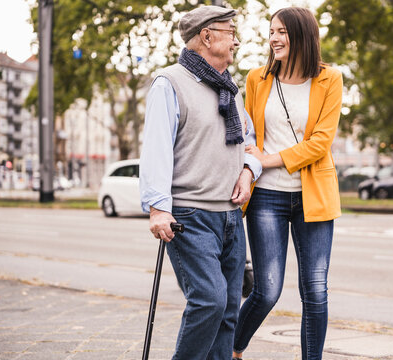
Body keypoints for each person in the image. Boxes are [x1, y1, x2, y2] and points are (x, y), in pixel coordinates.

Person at [139, 5, 261, 360]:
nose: (236, 40)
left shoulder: (229, 90)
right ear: (207, 37)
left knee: (227, 311)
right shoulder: (170, 82)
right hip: (190, 215)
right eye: (230, 32)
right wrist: (158, 209)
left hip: (230, 217)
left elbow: (250, 142)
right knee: (209, 299)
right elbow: (157, 149)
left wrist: (248, 170)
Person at [232, 7, 343, 360]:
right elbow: (249, 138)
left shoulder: (330, 79)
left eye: (282, 32)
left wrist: (269, 158)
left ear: (303, 37)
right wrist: (252, 168)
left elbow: (320, 143)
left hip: (314, 197)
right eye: (271, 31)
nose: (274, 38)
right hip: (267, 197)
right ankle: (231, 349)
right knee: (266, 290)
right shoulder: (256, 79)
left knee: (315, 290)